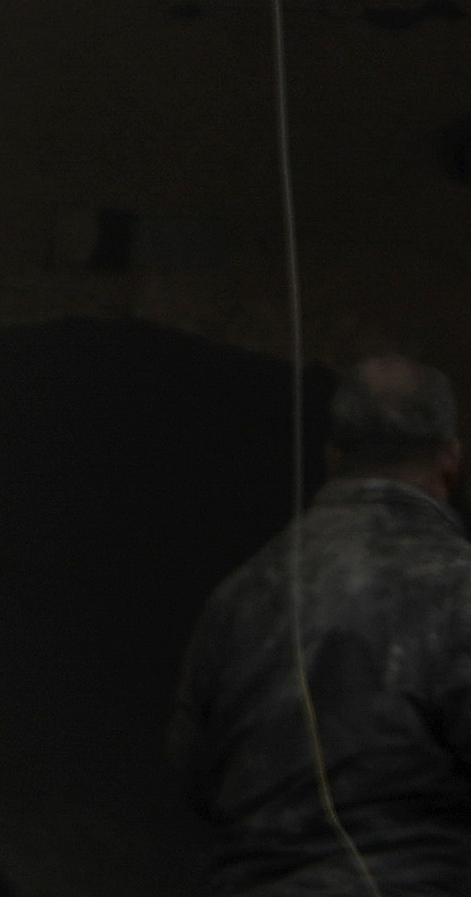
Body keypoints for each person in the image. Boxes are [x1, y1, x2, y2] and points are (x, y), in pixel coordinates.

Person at [170, 353, 471, 890]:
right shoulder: (458, 588)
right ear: (451, 460)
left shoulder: (239, 596)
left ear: (332, 457)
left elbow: (192, 775)